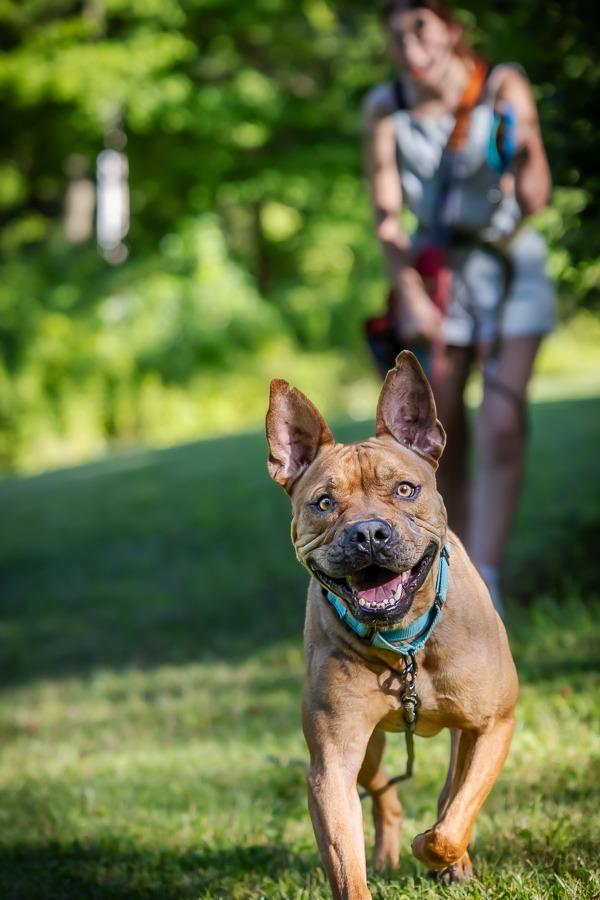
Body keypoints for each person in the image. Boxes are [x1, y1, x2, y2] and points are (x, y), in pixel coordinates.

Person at [363, 0, 554, 615]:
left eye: (421, 29)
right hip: (438, 277)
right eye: (397, 36)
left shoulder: (502, 84)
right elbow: (387, 217)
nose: (411, 47)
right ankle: (456, 571)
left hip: (507, 267)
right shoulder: (385, 106)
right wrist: (412, 294)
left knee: (501, 421)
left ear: (449, 28)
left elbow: (536, 198)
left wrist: (522, 144)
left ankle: (487, 576)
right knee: (437, 436)